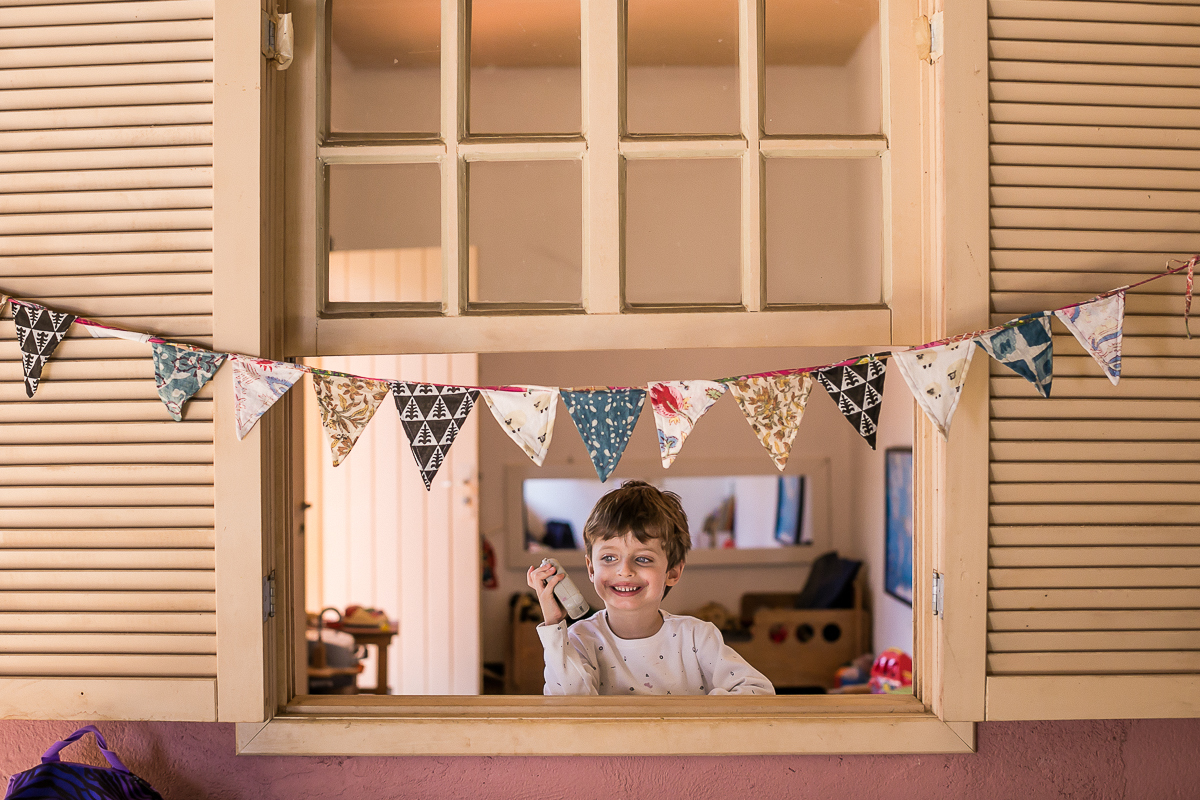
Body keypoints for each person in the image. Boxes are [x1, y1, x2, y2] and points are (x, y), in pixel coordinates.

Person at [526, 480, 775, 696]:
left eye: (643, 559)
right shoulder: (579, 639)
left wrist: (698, 712)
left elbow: (758, 690)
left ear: (673, 572)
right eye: (609, 558)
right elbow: (568, 707)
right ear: (591, 569)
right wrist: (554, 625)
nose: (625, 570)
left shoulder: (698, 638)